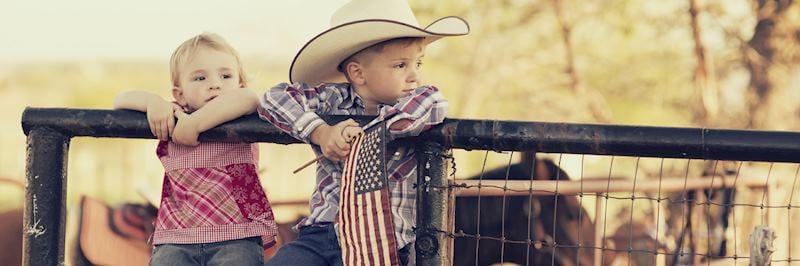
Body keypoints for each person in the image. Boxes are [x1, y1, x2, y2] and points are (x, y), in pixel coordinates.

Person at [257, 0, 468, 265]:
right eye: (401, 65)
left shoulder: (418, 100)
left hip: (382, 241)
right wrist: (321, 132)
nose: (414, 76)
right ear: (357, 73)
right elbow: (273, 99)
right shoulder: (333, 99)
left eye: (418, 63)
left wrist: (369, 134)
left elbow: (432, 103)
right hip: (322, 233)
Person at [113, 32, 277, 265]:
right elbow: (120, 99)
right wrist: (153, 103)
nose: (215, 84)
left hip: (237, 235)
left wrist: (195, 125)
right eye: (200, 78)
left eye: (226, 75)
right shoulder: (173, 115)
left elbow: (250, 98)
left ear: (239, 84)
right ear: (179, 94)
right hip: (176, 236)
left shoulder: (241, 116)